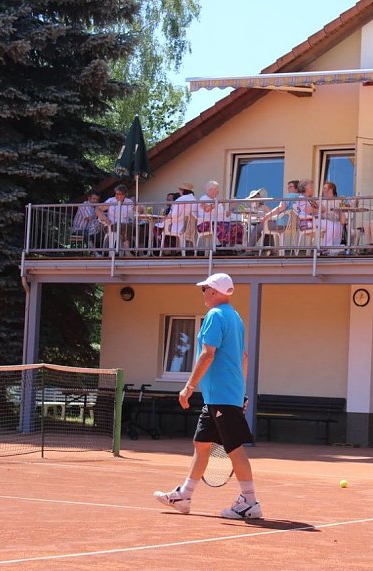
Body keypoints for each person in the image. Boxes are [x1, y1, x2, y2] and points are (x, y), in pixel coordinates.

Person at [154, 273, 261, 519]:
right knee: (201, 444)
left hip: (222, 395)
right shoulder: (235, 317)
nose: (203, 293)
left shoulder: (215, 315)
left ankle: (250, 502)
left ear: (214, 291)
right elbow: (243, 357)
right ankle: (184, 495)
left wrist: (189, 386)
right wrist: (241, 393)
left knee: (234, 448)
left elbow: (207, 354)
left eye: (205, 289)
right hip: (219, 396)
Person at [194, 180, 243, 250]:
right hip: (205, 223)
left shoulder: (216, 200)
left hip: (218, 222)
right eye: (216, 189)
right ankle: (220, 246)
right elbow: (206, 209)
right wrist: (218, 202)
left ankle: (231, 247)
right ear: (210, 190)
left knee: (238, 226)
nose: (218, 191)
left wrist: (232, 207)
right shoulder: (203, 199)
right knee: (225, 226)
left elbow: (225, 215)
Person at [97, 184, 141, 252]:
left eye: (119, 194)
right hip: (111, 225)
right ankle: (127, 251)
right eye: (116, 193)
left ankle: (140, 252)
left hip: (125, 225)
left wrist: (141, 208)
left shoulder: (128, 201)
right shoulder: (111, 201)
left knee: (139, 227)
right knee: (125, 226)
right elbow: (98, 209)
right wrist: (105, 219)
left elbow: (137, 210)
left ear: (124, 195)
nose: (116, 196)